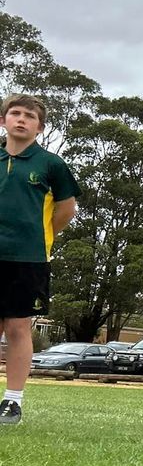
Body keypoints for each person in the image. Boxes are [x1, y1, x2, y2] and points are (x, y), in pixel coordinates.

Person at [0, 95, 80, 427]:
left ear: (40, 127)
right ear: (3, 120)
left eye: (29, 116)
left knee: (17, 327)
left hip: (29, 258)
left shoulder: (51, 165)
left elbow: (66, 210)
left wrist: (40, 235)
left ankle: (12, 401)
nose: (21, 119)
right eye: (15, 113)